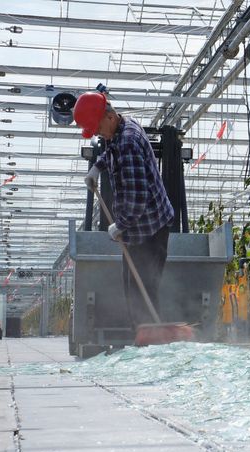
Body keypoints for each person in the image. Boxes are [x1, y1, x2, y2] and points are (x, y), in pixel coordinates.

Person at [73, 91, 174, 330]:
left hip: (150, 230)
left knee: (143, 293)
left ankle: (151, 347)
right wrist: (98, 167)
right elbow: (113, 152)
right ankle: (144, 338)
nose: (97, 133)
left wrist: (121, 225)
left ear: (108, 117)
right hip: (139, 230)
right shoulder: (121, 127)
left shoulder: (128, 141)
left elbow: (137, 199)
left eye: (97, 128)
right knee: (134, 289)